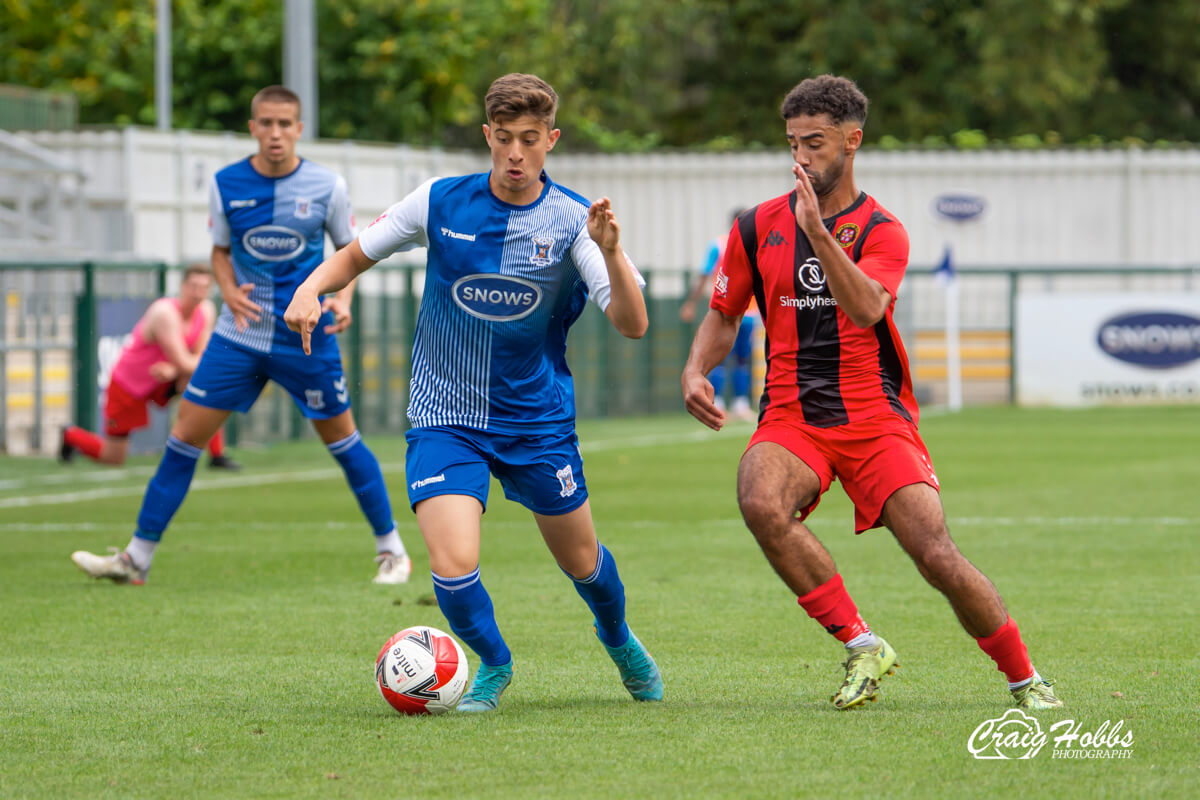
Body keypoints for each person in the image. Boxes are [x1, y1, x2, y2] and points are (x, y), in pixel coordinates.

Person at [681, 75, 1062, 711]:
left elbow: (864, 309)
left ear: (852, 142)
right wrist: (697, 369)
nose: (801, 157)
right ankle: (861, 643)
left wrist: (820, 234)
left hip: (875, 418)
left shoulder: (884, 230)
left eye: (817, 143)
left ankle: (1026, 680)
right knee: (760, 501)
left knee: (934, 553)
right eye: (793, 143)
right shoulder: (756, 226)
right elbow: (724, 313)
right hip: (793, 417)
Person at [283, 73, 662, 713]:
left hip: (537, 422)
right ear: (487, 136)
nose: (516, 154)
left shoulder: (576, 223)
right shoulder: (439, 201)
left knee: (583, 561)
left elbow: (633, 324)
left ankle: (619, 637)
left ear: (551, 141)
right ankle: (493, 663)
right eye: (505, 139)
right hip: (444, 416)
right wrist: (308, 288)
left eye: (531, 140)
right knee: (453, 563)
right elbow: (352, 256)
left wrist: (614, 253)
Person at [70, 85, 412, 586]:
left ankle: (393, 551)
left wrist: (342, 299)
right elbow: (219, 252)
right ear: (253, 128)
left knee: (342, 440)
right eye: (265, 124)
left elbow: (349, 251)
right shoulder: (226, 183)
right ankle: (135, 560)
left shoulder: (327, 186)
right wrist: (227, 291)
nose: (275, 134)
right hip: (240, 334)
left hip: (304, 335)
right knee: (184, 438)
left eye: (284, 124)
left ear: (299, 129)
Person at [59, 264, 240, 470]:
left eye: (203, 287)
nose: (197, 293)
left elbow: (199, 357)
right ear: (182, 286)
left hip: (164, 380)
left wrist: (175, 370)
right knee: (114, 457)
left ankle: (217, 455)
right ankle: (70, 435)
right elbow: (185, 361)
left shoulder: (206, 310)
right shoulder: (165, 313)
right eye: (193, 286)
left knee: (205, 385)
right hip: (129, 384)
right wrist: (179, 367)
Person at [679, 209, 757, 421]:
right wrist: (691, 303)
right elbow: (705, 273)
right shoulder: (720, 245)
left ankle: (741, 404)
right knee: (719, 359)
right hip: (724, 312)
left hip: (749, 314)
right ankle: (718, 402)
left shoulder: (756, 244)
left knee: (743, 359)